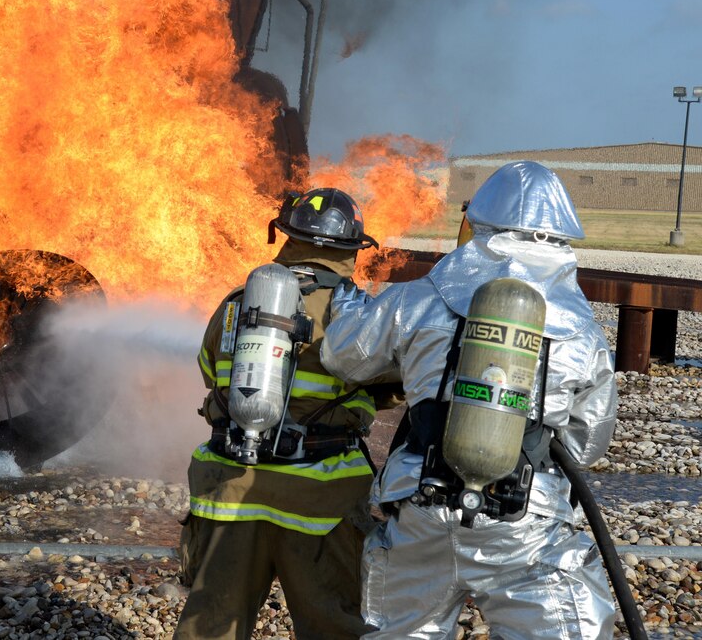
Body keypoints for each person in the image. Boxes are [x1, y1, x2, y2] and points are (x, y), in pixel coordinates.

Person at [320, 161, 618, 639]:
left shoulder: (420, 297)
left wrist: (349, 303)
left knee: (402, 632)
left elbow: (342, 356)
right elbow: (586, 446)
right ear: (561, 236)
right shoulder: (581, 332)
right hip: (521, 518)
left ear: (479, 224)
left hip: (420, 505)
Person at [175, 187, 398, 640]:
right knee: (333, 625)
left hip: (230, 489)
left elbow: (208, 372)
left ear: (288, 235)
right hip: (320, 498)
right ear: (351, 249)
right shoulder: (355, 311)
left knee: (211, 626)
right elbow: (392, 386)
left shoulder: (237, 303)